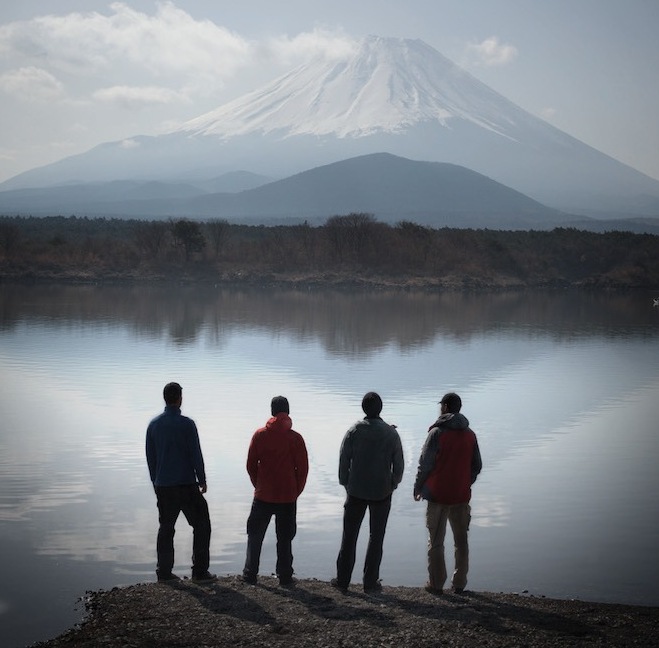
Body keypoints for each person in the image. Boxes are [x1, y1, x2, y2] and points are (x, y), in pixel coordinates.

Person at [331, 391, 404, 594]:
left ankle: (343, 581)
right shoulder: (391, 434)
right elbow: (398, 466)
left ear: (364, 408)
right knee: (376, 537)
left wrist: (345, 482)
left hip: (355, 491)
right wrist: (393, 484)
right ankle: (370, 583)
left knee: (349, 536)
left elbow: (343, 460)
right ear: (380, 409)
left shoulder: (354, 431)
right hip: (382, 491)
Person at [145, 382, 217, 584]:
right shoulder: (187, 424)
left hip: (164, 485)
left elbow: (151, 458)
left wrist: (155, 481)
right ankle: (200, 572)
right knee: (202, 524)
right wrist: (202, 479)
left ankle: (164, 573)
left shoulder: (153, 425)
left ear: (165, 399)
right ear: (179, 399)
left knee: (166, 527)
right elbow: (196, 453)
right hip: (186, 484)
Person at [413, 392, 482, 595]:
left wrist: (418, 487)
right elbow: (477, 465)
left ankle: (436, 583)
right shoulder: (470, 434)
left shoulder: (437, 433)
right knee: (461, 541)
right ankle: (459, 582)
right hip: (461, 496)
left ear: (444, 407)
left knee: (436, 541)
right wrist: (465, 482)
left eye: (441, 405)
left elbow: (425, 464)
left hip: (437, 496)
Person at [243, 396, 309, 587]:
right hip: (287, 496)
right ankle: (285, 576)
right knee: (285, 538)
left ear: (272, 412)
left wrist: (258, 484)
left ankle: (250, 574)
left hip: (263, 495)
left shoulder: (260, 435)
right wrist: (296, 491)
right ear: (287, 412)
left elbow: (250, 465)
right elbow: (302, 470)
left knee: (255, 535)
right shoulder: (295, 438)